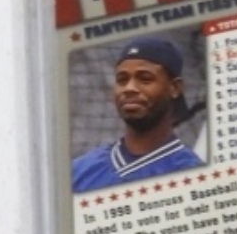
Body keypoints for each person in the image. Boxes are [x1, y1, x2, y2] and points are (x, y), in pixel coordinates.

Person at [71, 37, 205, 192]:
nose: (129, 88)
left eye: (145, 79)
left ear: (174, 88)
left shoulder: (193, 176)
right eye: (122, 80)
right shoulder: (79, 170)